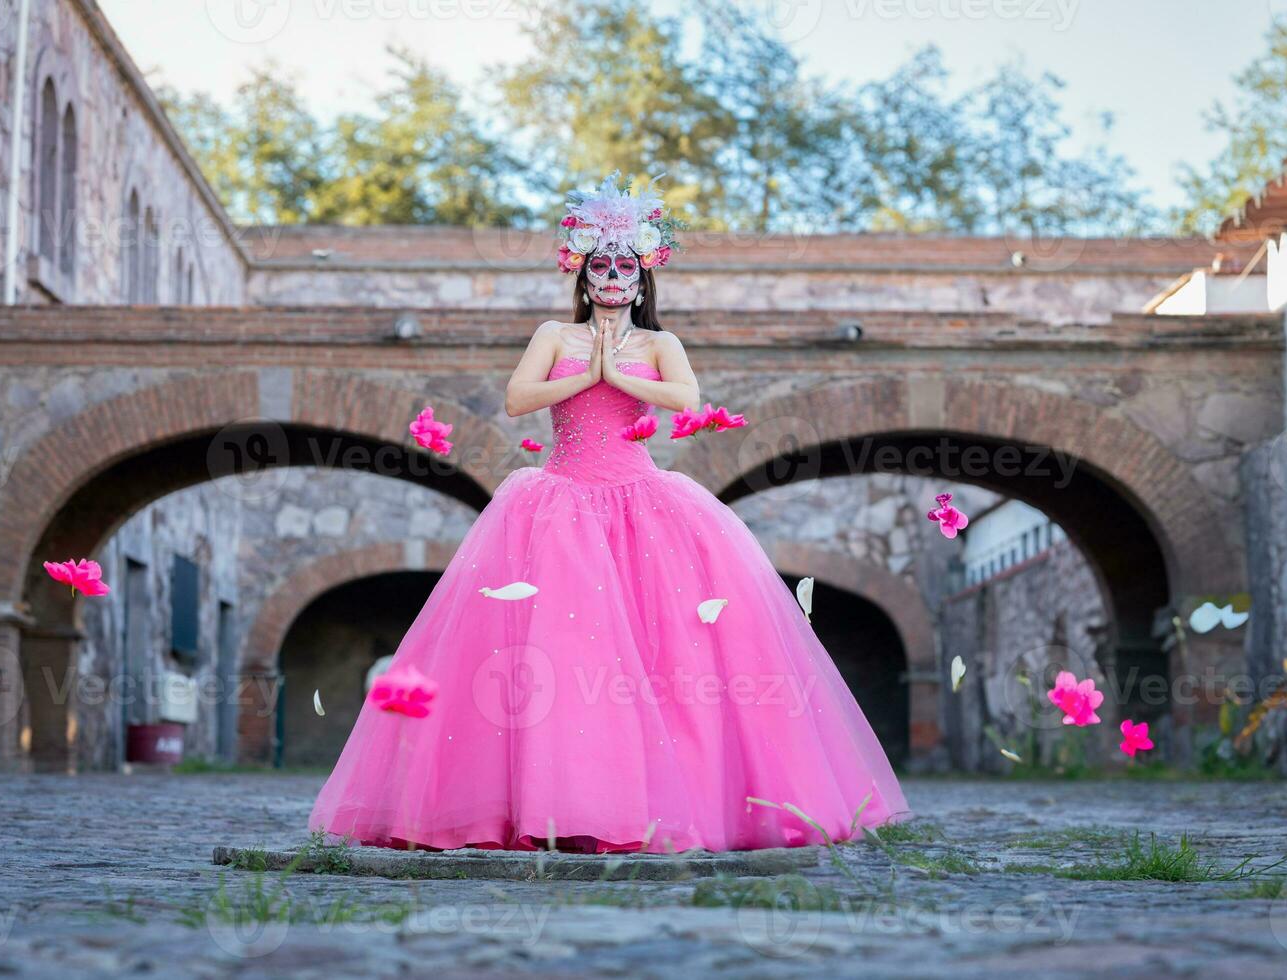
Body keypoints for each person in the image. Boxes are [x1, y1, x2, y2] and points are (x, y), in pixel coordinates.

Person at [309, 172, 910, 853]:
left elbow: (684, 400)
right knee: (556, 657)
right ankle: (540, 807)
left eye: (625, 266)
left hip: (642, 503)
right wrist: (582, 366)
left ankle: (670, 807)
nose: (612, 277)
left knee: (664, 660)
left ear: (642, 276)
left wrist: (610, 372)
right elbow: (516, 400)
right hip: (559, 503)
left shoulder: (659, 345)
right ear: (584, 271)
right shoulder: (551, 335)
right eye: (601, 265)